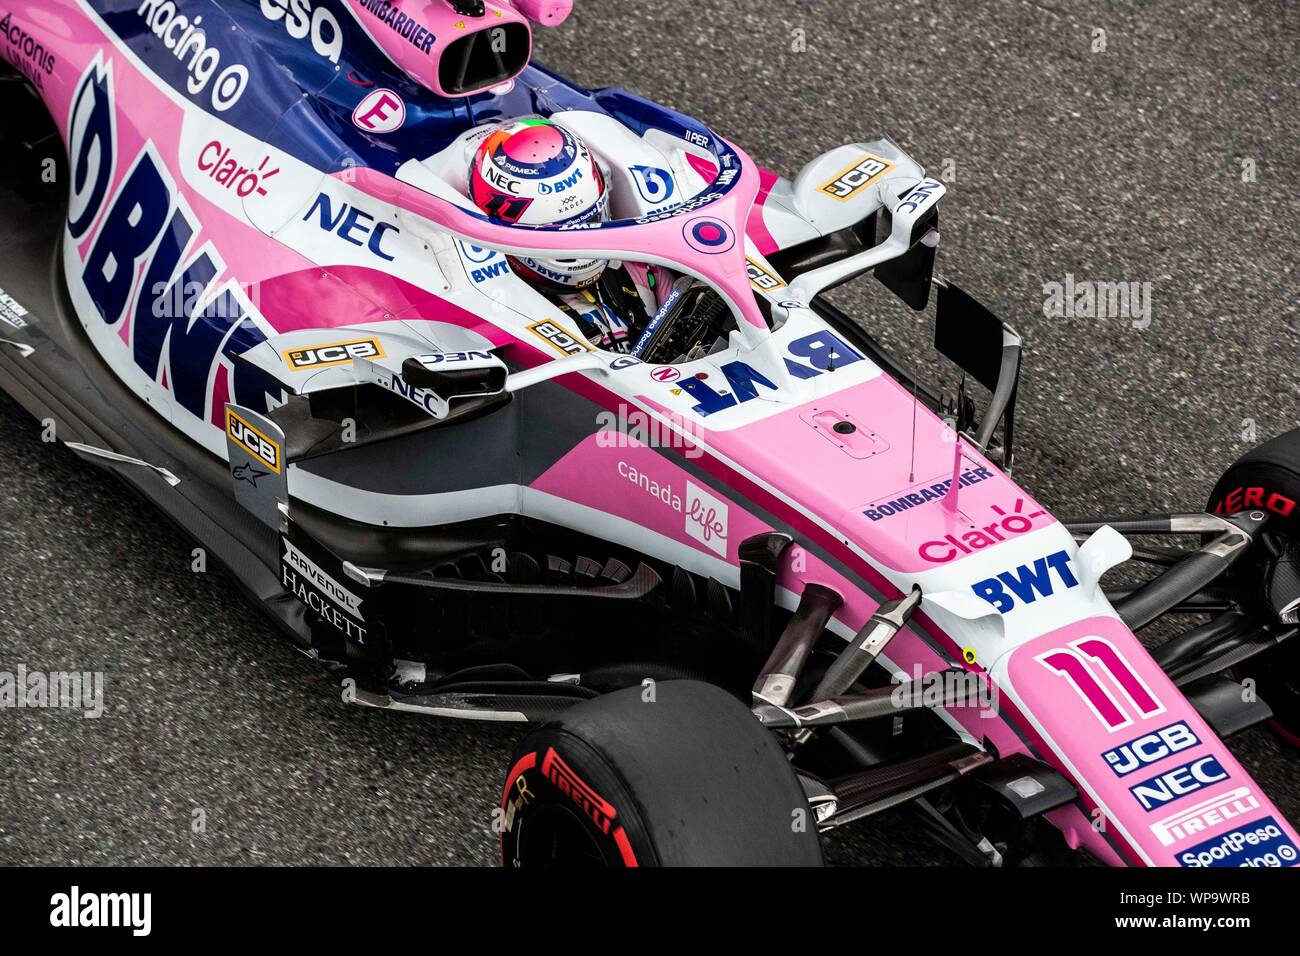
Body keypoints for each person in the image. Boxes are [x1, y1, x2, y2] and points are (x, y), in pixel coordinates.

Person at [467, 117, 675, 352]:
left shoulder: (642, 268)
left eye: (589, 220)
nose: (579, 239)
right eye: (557, 232)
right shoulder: (503, 306)